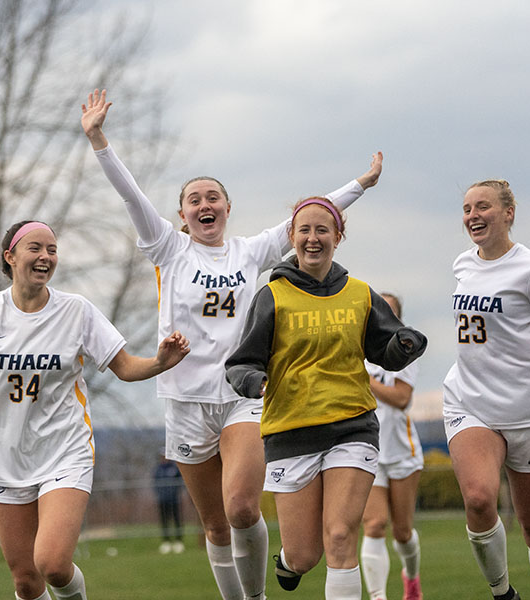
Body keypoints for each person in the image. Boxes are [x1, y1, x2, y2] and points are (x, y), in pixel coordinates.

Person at [81, 88, 383, 600]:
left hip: (242, 394)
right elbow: (131, 195)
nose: (205, 204)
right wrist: (99, 139)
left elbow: (312, 217)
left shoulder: (249, 252)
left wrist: (361, 183)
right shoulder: (168, 248)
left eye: (212, 197)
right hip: (184, 399)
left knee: (243, 507)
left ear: (226, 208)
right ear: (181, 214)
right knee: (216, 525)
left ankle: (260, 591)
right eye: (194, 199)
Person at [0, 220, 190, 600]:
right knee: (25, 581)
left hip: (64, 451)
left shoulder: (76, 311)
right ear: (11, 256)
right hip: (5, 458)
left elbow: (125, 366)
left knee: (52, 563)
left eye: (52, 249)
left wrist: (160, 362)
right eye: (35, 248)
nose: (46, 256)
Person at [225, 198, 427, 600]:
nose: (313, 239)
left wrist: (402, 345)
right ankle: (290, 559)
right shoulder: (272, 296)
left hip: (352, 427)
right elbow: (240, 363)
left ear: (338, 236)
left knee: (340, 536)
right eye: (305, 230)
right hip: (291, 433)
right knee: (304, 556)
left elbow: (383, 349)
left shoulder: (360, 294)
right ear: (292, 238)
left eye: (322, 230)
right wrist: (254, 381)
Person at [443, 180, 530, 600]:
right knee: (480, 500)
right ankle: (503, 593)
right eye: (466, 209)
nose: (472, 216)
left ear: (508, 213)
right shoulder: (462, 264)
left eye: (483, 206)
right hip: (470, 402)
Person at [359, 293, 425, 600]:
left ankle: (411, 578)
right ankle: (377, 596)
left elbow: (401, 399)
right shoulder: (355, 348)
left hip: (401, 450)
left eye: (387, 310)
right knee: (373, 524)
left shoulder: (404, 349)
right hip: (365, 448)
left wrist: (365, 381)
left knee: (402, 532)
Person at [154, 456, 185, 554]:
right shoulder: (158, 470)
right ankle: (166, 541)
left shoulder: (174, 468)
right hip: (162, 500)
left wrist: (177, 492)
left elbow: (181, 480)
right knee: (164, 521)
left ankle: (178, 541)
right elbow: (154, 483)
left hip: (174, 499)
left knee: (177, 520)